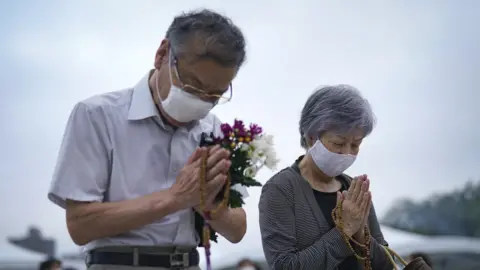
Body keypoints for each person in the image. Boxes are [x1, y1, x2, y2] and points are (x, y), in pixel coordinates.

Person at [48, 9, 248, 270]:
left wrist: (210, 205)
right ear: (162, 54)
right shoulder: (97, 115)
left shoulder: (213, 129)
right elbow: (80, 225)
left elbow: (237, 229)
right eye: (191, 86)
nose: (201, 101)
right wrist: (175, 198)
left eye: (214, 95)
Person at [258, 85, 394, 270]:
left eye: (355, 144)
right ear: (311, 137)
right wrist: (343, 232)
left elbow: (387, 265)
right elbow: (283, 266)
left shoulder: (353, 188)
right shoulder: (281, 189)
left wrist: (361, 235)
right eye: (338, 143)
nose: (346, 152)